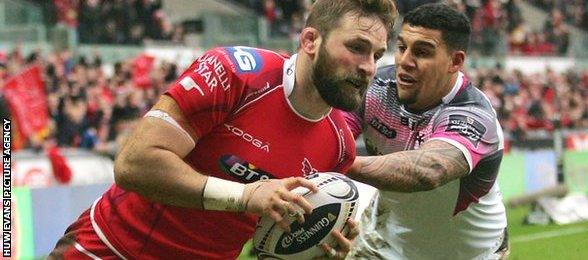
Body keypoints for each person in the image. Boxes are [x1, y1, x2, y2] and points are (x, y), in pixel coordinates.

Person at [48, 0, 397, 259]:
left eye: (377, 55)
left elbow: (267, 243)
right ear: (310, 41)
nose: (368, 67)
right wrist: (246, 195)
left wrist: (317, 248)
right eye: (356, 47)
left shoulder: (339, 147)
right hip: (111, 250)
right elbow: (133, 164)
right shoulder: (235, 73)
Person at [343, 3, 509, 260]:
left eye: (422, 52)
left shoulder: (473, 115)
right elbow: (333, 135)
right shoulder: (375, 88)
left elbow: (430, 170)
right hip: (383, 242)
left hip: (469, 255)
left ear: (455, 61)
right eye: (401, 48)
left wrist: (340, 162)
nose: (405, 61)